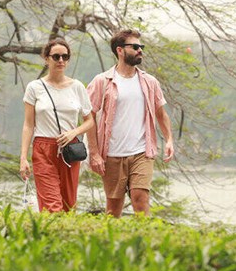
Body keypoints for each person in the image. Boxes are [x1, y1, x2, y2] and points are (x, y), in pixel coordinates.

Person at [85, 29, 174, 217]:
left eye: (141, 46)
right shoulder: (102, 81)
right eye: (135, 47)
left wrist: (169, 140)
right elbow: (88, 116)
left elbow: (161, 113)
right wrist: (94, 153)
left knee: (140, 199)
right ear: (120, 50)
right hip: (111, 154)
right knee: (113, 210)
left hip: (142, 151)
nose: (140, 50)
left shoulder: (150, 82)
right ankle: (113, 245)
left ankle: (146, 244)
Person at [20, 37, 94, 212]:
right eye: (56, 56)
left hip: (70, 149)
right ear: (46, 58)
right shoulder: (34, 87)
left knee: (68, 205)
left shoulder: (77, 87)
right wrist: (23, 157)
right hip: (43, 149)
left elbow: (90, 120)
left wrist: (73, 133)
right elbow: (28, 125)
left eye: (65, 56)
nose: (61, 60)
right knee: (52, 206)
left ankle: (62, 238)